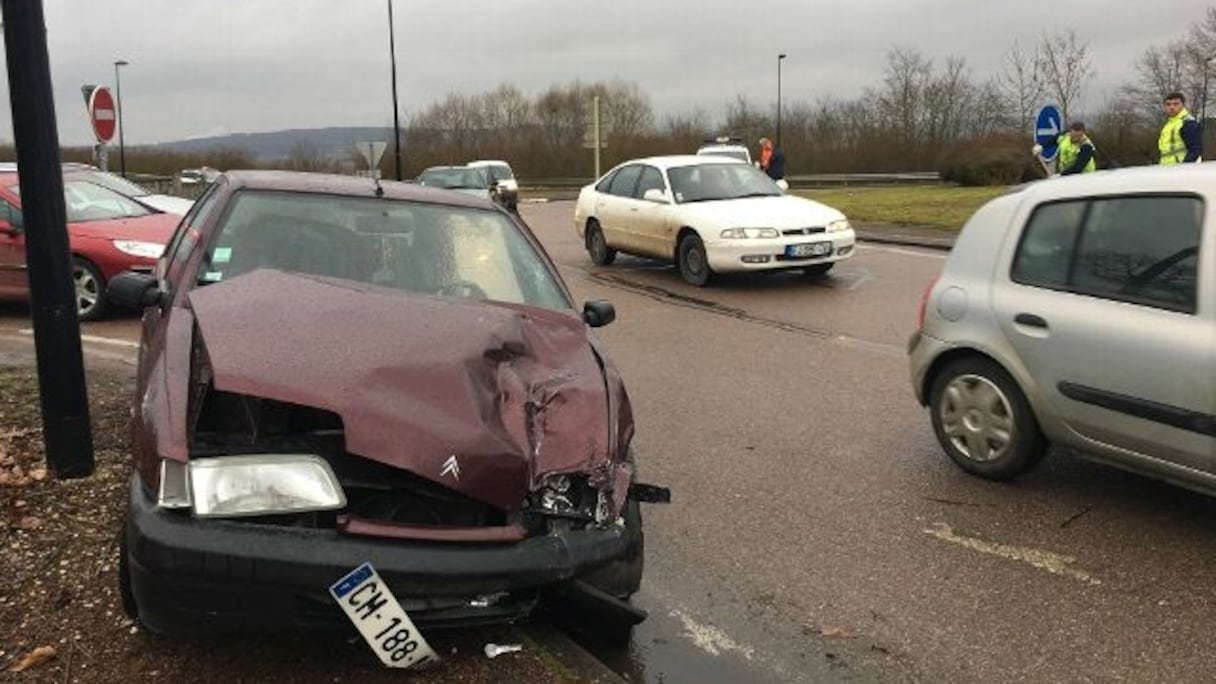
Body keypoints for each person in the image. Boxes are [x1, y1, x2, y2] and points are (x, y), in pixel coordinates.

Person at [1159, 92, 1202, 165]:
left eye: (1176, 104)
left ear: (1183, 105)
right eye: (1168, 104)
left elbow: (1195, 151)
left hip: (1181, 170)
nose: (1171, 107)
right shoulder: (1168, 125)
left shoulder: (1188, 122)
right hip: (1166, 168)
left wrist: (1183, 168)